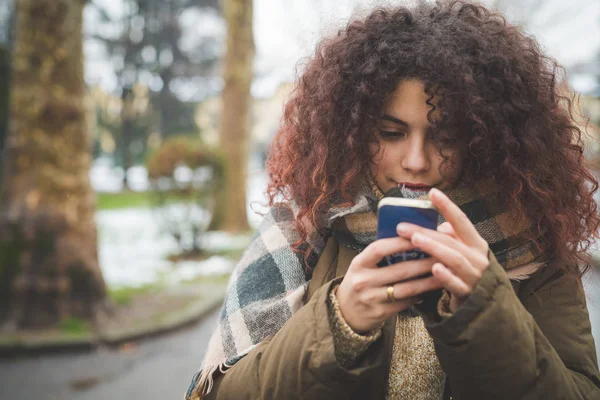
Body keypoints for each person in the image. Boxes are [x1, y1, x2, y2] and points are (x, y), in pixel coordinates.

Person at [185, 1, 600, 399]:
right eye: (391, 133)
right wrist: (339, 321)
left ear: (481, 137)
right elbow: (225, 392)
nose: (416, 161)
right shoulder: (301, 227)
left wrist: (486, 308)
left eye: (445, 137)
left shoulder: (529, 234)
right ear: (356, 130)